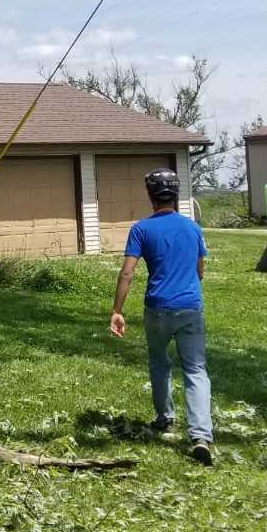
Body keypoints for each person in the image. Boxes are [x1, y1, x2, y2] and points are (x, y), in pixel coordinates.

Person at [109, 168, 213, 465]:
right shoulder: (193, 228)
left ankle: (164, 419)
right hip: (190, 308)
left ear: (150, 196)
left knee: (159, 363)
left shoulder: (141, 229)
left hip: (157, 308)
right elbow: (200, 270)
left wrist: (117, 310)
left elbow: (127, 272)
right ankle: (201, 435)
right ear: (176, 195)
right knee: (195, 370)